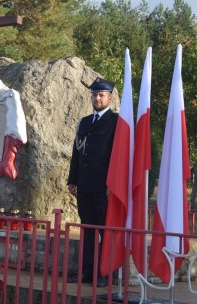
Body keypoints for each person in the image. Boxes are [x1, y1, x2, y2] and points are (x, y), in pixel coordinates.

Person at [67, 77, 118, 286]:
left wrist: (112, 184)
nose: (97, 98)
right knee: (87, 229)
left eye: (101, 95)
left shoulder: (116, 122)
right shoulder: (85, 121)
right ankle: (87, 271)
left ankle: (104, 273)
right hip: (85, 185)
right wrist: (73, 179)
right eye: (95, 95)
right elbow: (77, 152)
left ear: (110, 98)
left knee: (106, 230)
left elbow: (117, 155)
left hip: (104, 187)